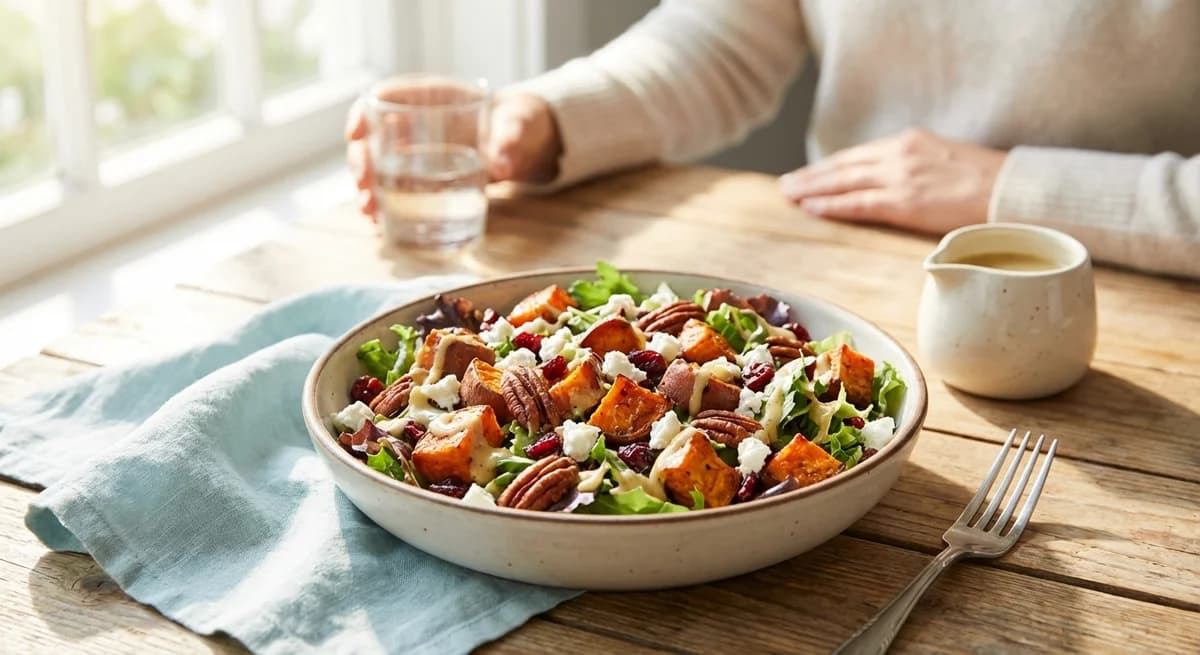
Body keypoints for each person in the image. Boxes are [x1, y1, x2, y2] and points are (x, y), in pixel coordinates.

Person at [346, 0, 1200, 279]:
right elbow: (724, 41)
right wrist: (549, 118)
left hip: (1140, 302)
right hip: (850, 273)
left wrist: (1012, 192)